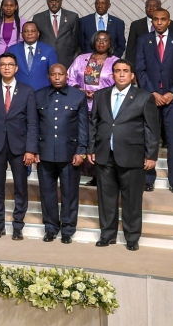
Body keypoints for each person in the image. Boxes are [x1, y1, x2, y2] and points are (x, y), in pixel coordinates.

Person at [88, 60, 159, 251]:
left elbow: (152, 129)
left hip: (132, 156)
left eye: (125, 71)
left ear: (132, 75)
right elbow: (93, 124)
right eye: (117, 71)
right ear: (112, 74)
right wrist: (91, 149)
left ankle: (132, 237)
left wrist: (151, 155)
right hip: (104, 154)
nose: (121, 74)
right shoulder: (101, 95)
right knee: (106, 198)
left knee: (132, 199)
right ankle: (107, 234)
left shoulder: (144, 97)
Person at [0, 53, 38, 240]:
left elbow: (32, 122)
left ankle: (18, 226)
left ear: (16, 68)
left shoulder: (27, 91)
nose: (6, 67)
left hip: (19, 147)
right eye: (3, 64)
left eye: (10, 64)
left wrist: (30, 149)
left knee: (20, 188)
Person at [136, 8, 173, 194]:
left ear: (169, 21)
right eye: (156, 19)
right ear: (152, 21)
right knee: (150, 138)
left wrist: (171, 93)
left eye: (163, 19)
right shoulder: (143, 40)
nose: (159, 22)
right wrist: (152, 92)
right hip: (150, 98)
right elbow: (140, 69)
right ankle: (148, 178)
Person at [35, 64, 89, 244]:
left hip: (69, 153)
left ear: (66, 75)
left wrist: (81, 151)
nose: (57, 77)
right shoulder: (39, 95)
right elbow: (34, 125)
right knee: (47, 193)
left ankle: (68, 229)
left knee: (70, 193)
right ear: (48, 76)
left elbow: (83, 126)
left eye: (61, 74)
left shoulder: (78, 96)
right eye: (53, 74)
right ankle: (51, 228)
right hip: (45, 153)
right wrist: (34, 150)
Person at [67, 30, 119, 187]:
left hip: (104, 107)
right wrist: (80, 90)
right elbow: (69, 77)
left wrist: (100, 94)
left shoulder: (115, 61)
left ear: (110, 43)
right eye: (98, 40)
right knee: (82, 138)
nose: (101, 42)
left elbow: (120, 83)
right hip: (82, 105)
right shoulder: (81, 59)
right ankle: (78, 173)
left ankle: (99, 176)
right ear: (93, 42)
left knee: (99, 140)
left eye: (105, 40)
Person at [125, 0, 173, 66]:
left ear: (160, 8)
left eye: (155, 6)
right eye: (149, 6)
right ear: (145, 8)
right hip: (142, 66)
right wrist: (129, 67)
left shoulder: (172, 25)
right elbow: (131, 49)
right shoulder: (136, 25)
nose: (151, 8)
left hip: (166, 66)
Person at [33, 0, 81, 67]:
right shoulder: (38, 18)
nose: (54, 3)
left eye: (57, 1)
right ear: (47, 2)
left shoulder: (72, 16)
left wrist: (69, 52)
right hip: (44, 59)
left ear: (61, 2)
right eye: (51, 1)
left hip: (66, 59)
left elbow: (76, 39)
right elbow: (36, 40)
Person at [9, 21, 58, 91]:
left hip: (43, 91)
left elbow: (54, 72)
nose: (29, 33)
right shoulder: (12, 50)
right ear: (22, 34)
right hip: (19, 91)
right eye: (26, 31)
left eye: (33, 31)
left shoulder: (48, 50)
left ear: (38, 34)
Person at [0, 0, 25, 68]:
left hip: (17, 59)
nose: (8, 8)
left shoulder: (22, 23)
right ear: (2, 7)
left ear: (16, 7)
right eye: (6, 5)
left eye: (11, 5)